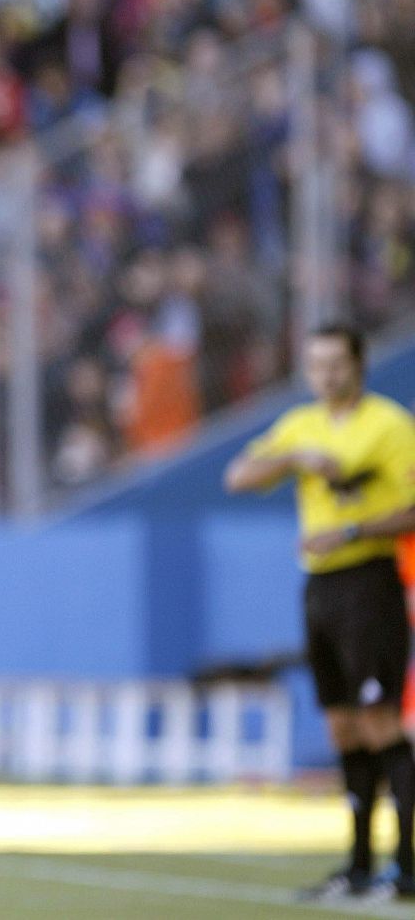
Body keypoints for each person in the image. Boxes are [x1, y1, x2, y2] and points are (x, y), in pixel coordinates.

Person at [225, 324, 415, 902]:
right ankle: (357, 865)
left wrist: (353, 529)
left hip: (370, 581)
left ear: (359, 364)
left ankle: (406, 866)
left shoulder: (389, 424)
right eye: (316, 365)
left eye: (336, 363)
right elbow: (237, 476)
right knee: (342, 725)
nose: (326, 375)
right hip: (321, 588)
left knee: (380, 721)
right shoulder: (301, 425)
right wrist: (295, 458)